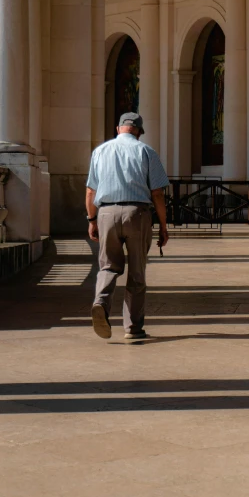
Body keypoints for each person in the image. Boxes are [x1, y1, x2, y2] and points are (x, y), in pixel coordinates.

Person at [85, 113, 170, 341]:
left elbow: (91, 191)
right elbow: (158, 193)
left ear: (118, 128)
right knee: (137, 270)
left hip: (106, 213)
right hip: (137, 213)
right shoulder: (146, 151)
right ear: (139, 131)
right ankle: (133, 328)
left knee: (108, 266)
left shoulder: (100, 151)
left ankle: (100, 303)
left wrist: (92, 220)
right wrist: (163, 226)